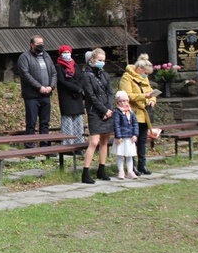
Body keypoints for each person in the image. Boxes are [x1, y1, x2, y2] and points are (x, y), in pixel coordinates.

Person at [80, 48, 115, 184]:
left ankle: (102, 169)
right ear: (92, 60)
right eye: (99, 60)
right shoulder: (87, 75)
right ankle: (86, 172)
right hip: (95, 111)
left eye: (103, 60)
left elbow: (110, 92)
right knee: (94, 142)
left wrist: (109, 109)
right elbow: (91, 96)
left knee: (104, 141)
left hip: (107, 110)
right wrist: (103, 110)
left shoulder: (104, 74)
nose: (102, 63)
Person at [119, 55, 157, 174]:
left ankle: (142, 164)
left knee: (142, 140)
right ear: (139, 69)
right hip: (133, 113)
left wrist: (152, 100)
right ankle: (132, 166)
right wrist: (144, 96)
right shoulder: (127, 77)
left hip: (145, 113)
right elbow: (126, 95)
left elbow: (151, 92)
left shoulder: (144, 78)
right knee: (132, 140)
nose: (146, 75)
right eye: (145, 72)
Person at [17, 35, 57, 148]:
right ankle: (30, 146)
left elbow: (54, 72)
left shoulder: (47, 56)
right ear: (32, 45)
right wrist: (39, 87)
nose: (41, 45)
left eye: (42, 43)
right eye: (38, 43)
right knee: (31, 122)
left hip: (46, 95)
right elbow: (25, 75)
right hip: (32, 96)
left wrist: (51, 86)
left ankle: (44, 145)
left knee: (45, 122)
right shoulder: (24, 57)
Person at [55, 45, 85, 147]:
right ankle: (68, 144)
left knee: (78, 120)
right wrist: (75, 88)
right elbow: (62, 81)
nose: (67, 54)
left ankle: (79, 143)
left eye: (68, 52)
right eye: (65, 52)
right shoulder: (59, 66)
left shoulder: (75, 65)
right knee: (68, 120)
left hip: (77, 96)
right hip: (66, 96)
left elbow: (81, 77)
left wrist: (80, 87)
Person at [111, 90, 139, 180]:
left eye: (125, 101)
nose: (123, 103)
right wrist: (118, 136)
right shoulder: (117, 112)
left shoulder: (131, 112)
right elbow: (116, 124)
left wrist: (135, 134)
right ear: (117, 102)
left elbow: (135, 123)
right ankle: (121, 171)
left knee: (129, 155)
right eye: (121, 101)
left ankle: (130, 171)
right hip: (122, 137)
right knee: (120, 154)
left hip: (130, 137)